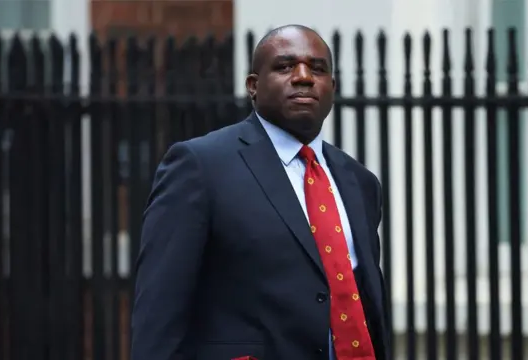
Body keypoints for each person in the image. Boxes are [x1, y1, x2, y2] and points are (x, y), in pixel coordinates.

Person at [130, 24, 391, 360]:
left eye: (317, 68)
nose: (303, 77)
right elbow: (159, 311)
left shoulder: (361, 183)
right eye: (285, 66)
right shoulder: (200, 166)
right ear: (253, 86)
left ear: (332, 86)